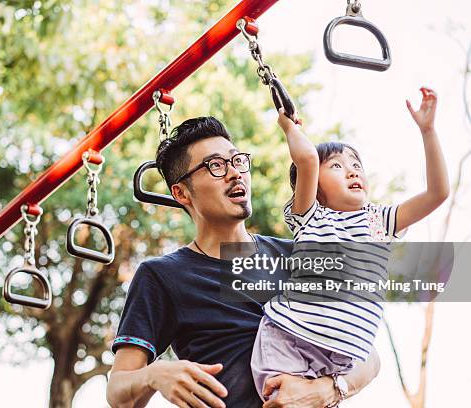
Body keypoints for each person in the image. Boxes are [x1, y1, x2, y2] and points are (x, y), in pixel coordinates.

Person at [106, 117, 381, 408]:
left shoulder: (299, 255)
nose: (235, 173)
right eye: (216, 166)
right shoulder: (162, 276)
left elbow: (369, 355)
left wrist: (327, 390)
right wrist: (155, 374)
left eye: (237, 161)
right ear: (181, 193)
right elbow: (118, 391)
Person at [251, 87, 449, 403]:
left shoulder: (378, 221)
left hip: (340, 359)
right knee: (281, 400)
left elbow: (437, 193)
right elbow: (305, 160)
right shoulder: (310, 217)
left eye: (356, 163)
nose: (353, 169)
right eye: (337, 165)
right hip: (288, 338)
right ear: (315, 186)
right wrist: (291, 127)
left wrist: (428, 132)